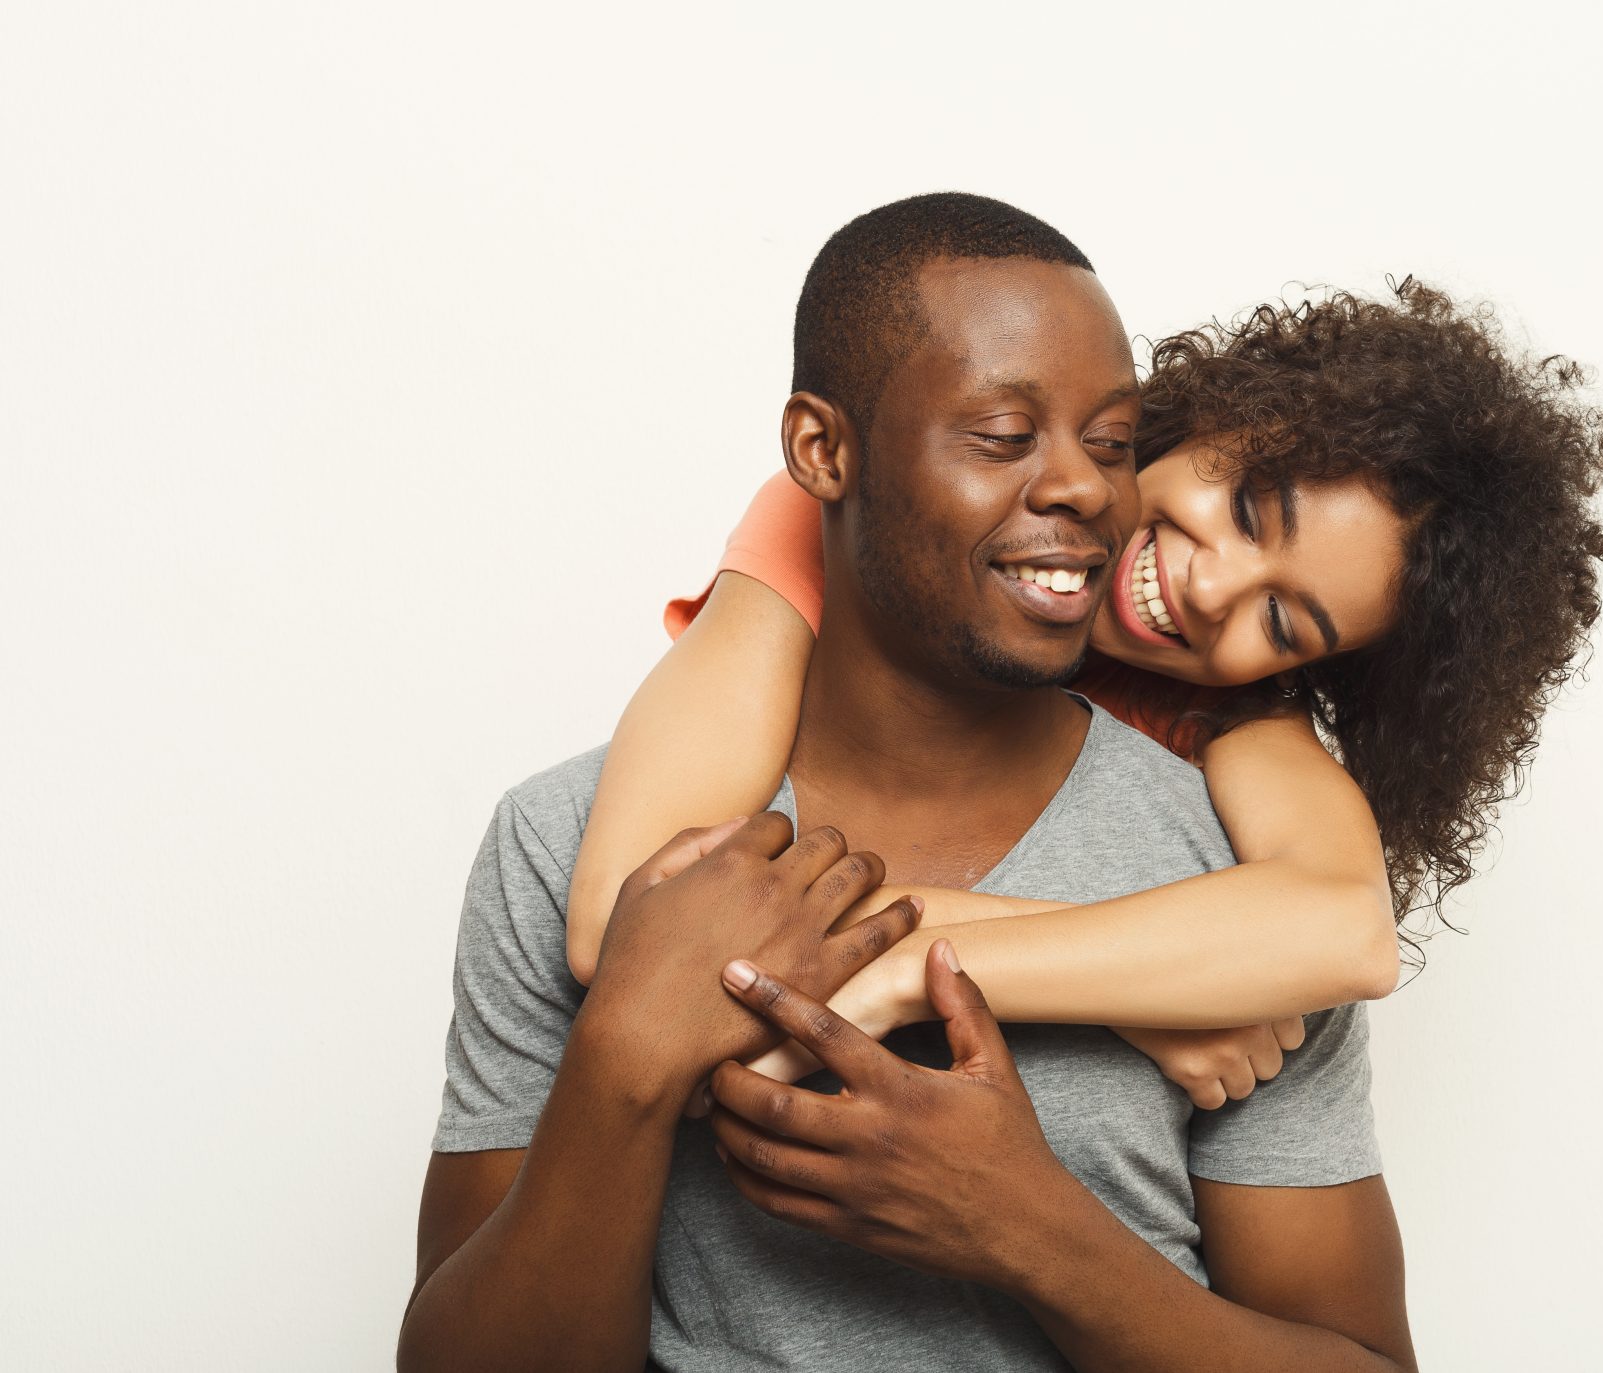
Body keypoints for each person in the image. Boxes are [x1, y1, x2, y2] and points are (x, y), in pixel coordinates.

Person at [401, 193, 1416, 1370]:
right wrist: (629, 1053)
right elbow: (632, 917)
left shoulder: (1233, 901)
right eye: (1001, 435)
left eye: (1105, 442)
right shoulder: (565, 828)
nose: (1086, 488)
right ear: (821, 452)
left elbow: (1344, 929)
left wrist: (1028, 1227)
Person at [564, 273, 1603, 1108]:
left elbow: (1347, 929)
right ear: (1208, 416)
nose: (1209, 589)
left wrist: (911, 971)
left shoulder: (1232, 706)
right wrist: (1134, 989)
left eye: (1283, 620)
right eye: (1249, 509)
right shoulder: (864, 527)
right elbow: (627, 918)